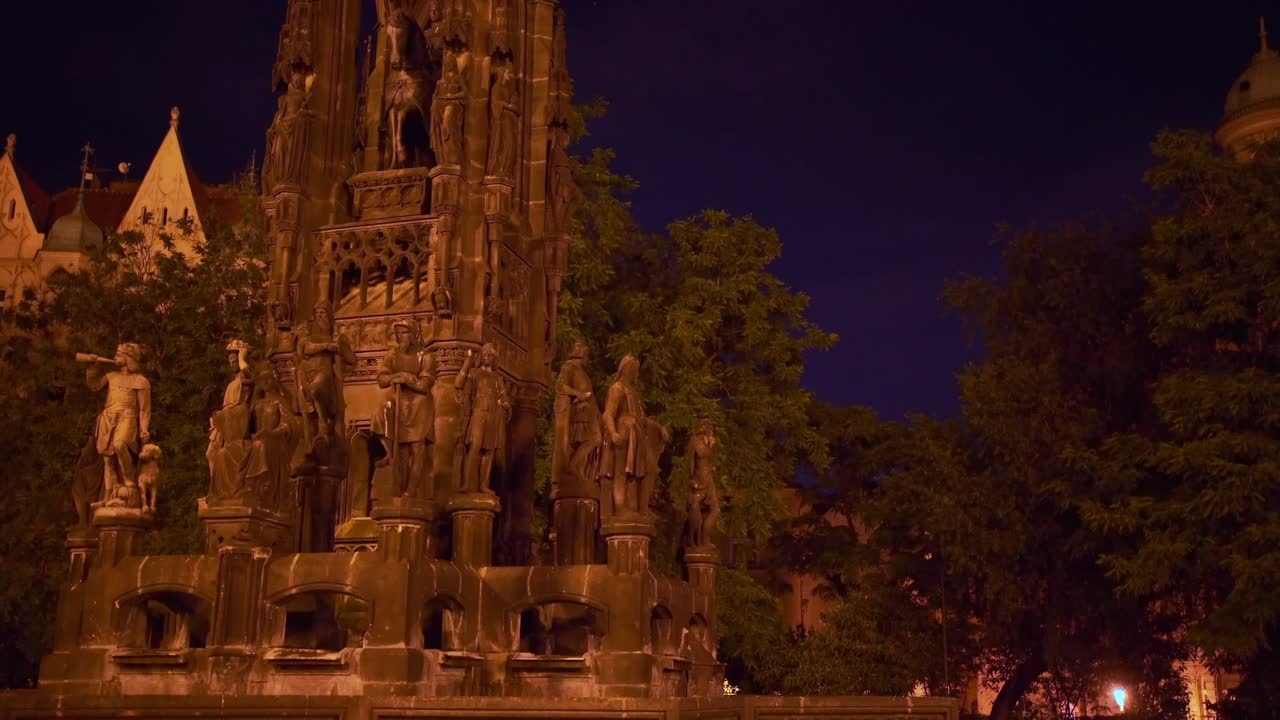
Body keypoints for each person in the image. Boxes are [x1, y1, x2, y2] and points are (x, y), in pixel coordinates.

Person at [371, 319, 435, 497]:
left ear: (413, 334)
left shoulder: (426, 356)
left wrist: (407, 380)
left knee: (416, 447)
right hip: (398, 400)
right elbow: (382, 380)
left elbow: (424, 386)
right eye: (398, 333)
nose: (401, 337)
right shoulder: (391, 355)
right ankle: (390, 454)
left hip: (419, 403)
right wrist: (398, 375)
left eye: (405, 333)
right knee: (382, 411)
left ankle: (411, 490)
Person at [82, 343, 152, 505]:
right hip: (108, 417)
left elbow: (144, 409)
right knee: (108, 460)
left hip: (127, 415)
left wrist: (144, 428)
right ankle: (108, 496)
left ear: (129, 359)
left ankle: (130, 485)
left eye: (119, 355)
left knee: (120, 444)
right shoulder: (112, 376)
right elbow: (94, 385)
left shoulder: (141, 381)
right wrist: (93, 366)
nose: (115, 358)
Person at [454, 344, 510, 493]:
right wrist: (467, 362)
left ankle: (484, 485)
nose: (486, 357)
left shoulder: (498, 377)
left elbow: (503, 395)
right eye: (484, 354)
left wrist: (505, 403)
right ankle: (467, 483)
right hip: (479, 410)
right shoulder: (474, 372)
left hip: (494, 413)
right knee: (475, 446)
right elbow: (461, 387)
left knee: (489, 450)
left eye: (489, 355)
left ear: (494, 358)